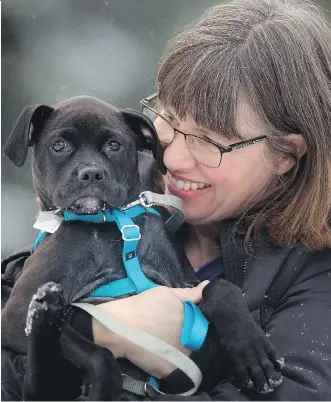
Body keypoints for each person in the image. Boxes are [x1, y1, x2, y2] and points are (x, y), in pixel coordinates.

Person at [2, 0, 331, 400]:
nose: (170, 158)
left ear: (284, 154)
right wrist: (99, 328)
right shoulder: (122, 205)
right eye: (169, 119)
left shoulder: (315, 280)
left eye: (209, 141)